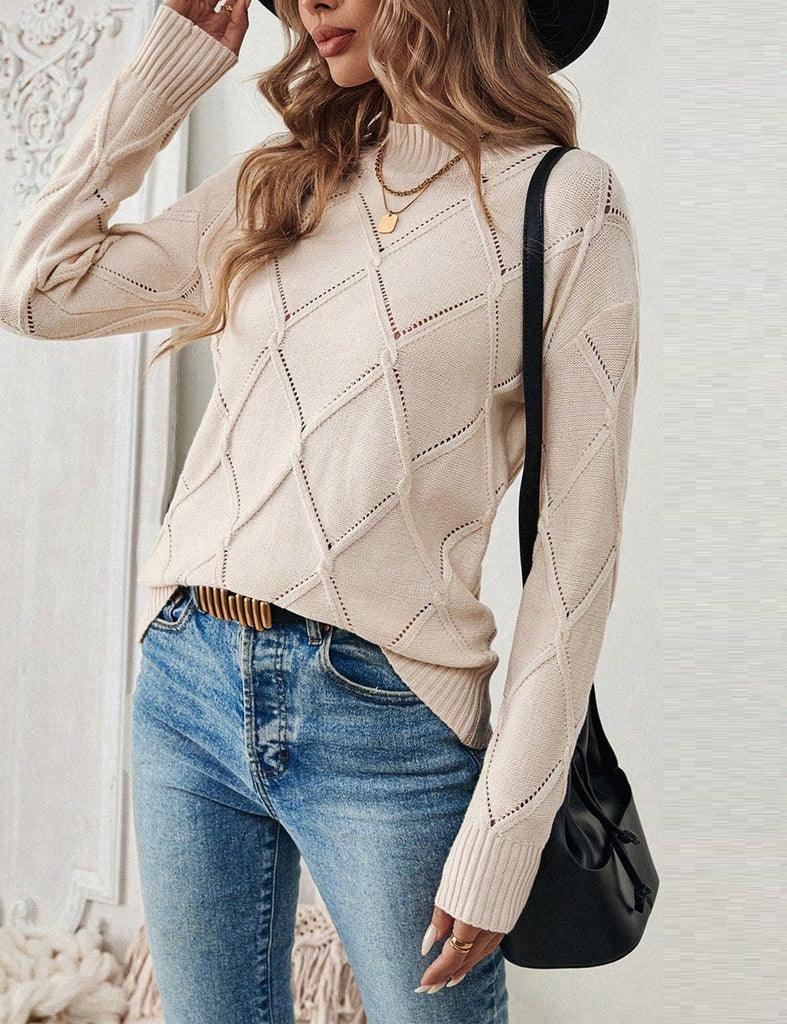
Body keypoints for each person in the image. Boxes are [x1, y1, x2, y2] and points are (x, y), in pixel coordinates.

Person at [0, 0, 641, 1020]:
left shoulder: (564, 202)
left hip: (388, 719)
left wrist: (505, 835)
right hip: (190, 681)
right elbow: (36, 290)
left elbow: (578, 557)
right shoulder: (285, 180)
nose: (305, 5)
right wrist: (161, 78)